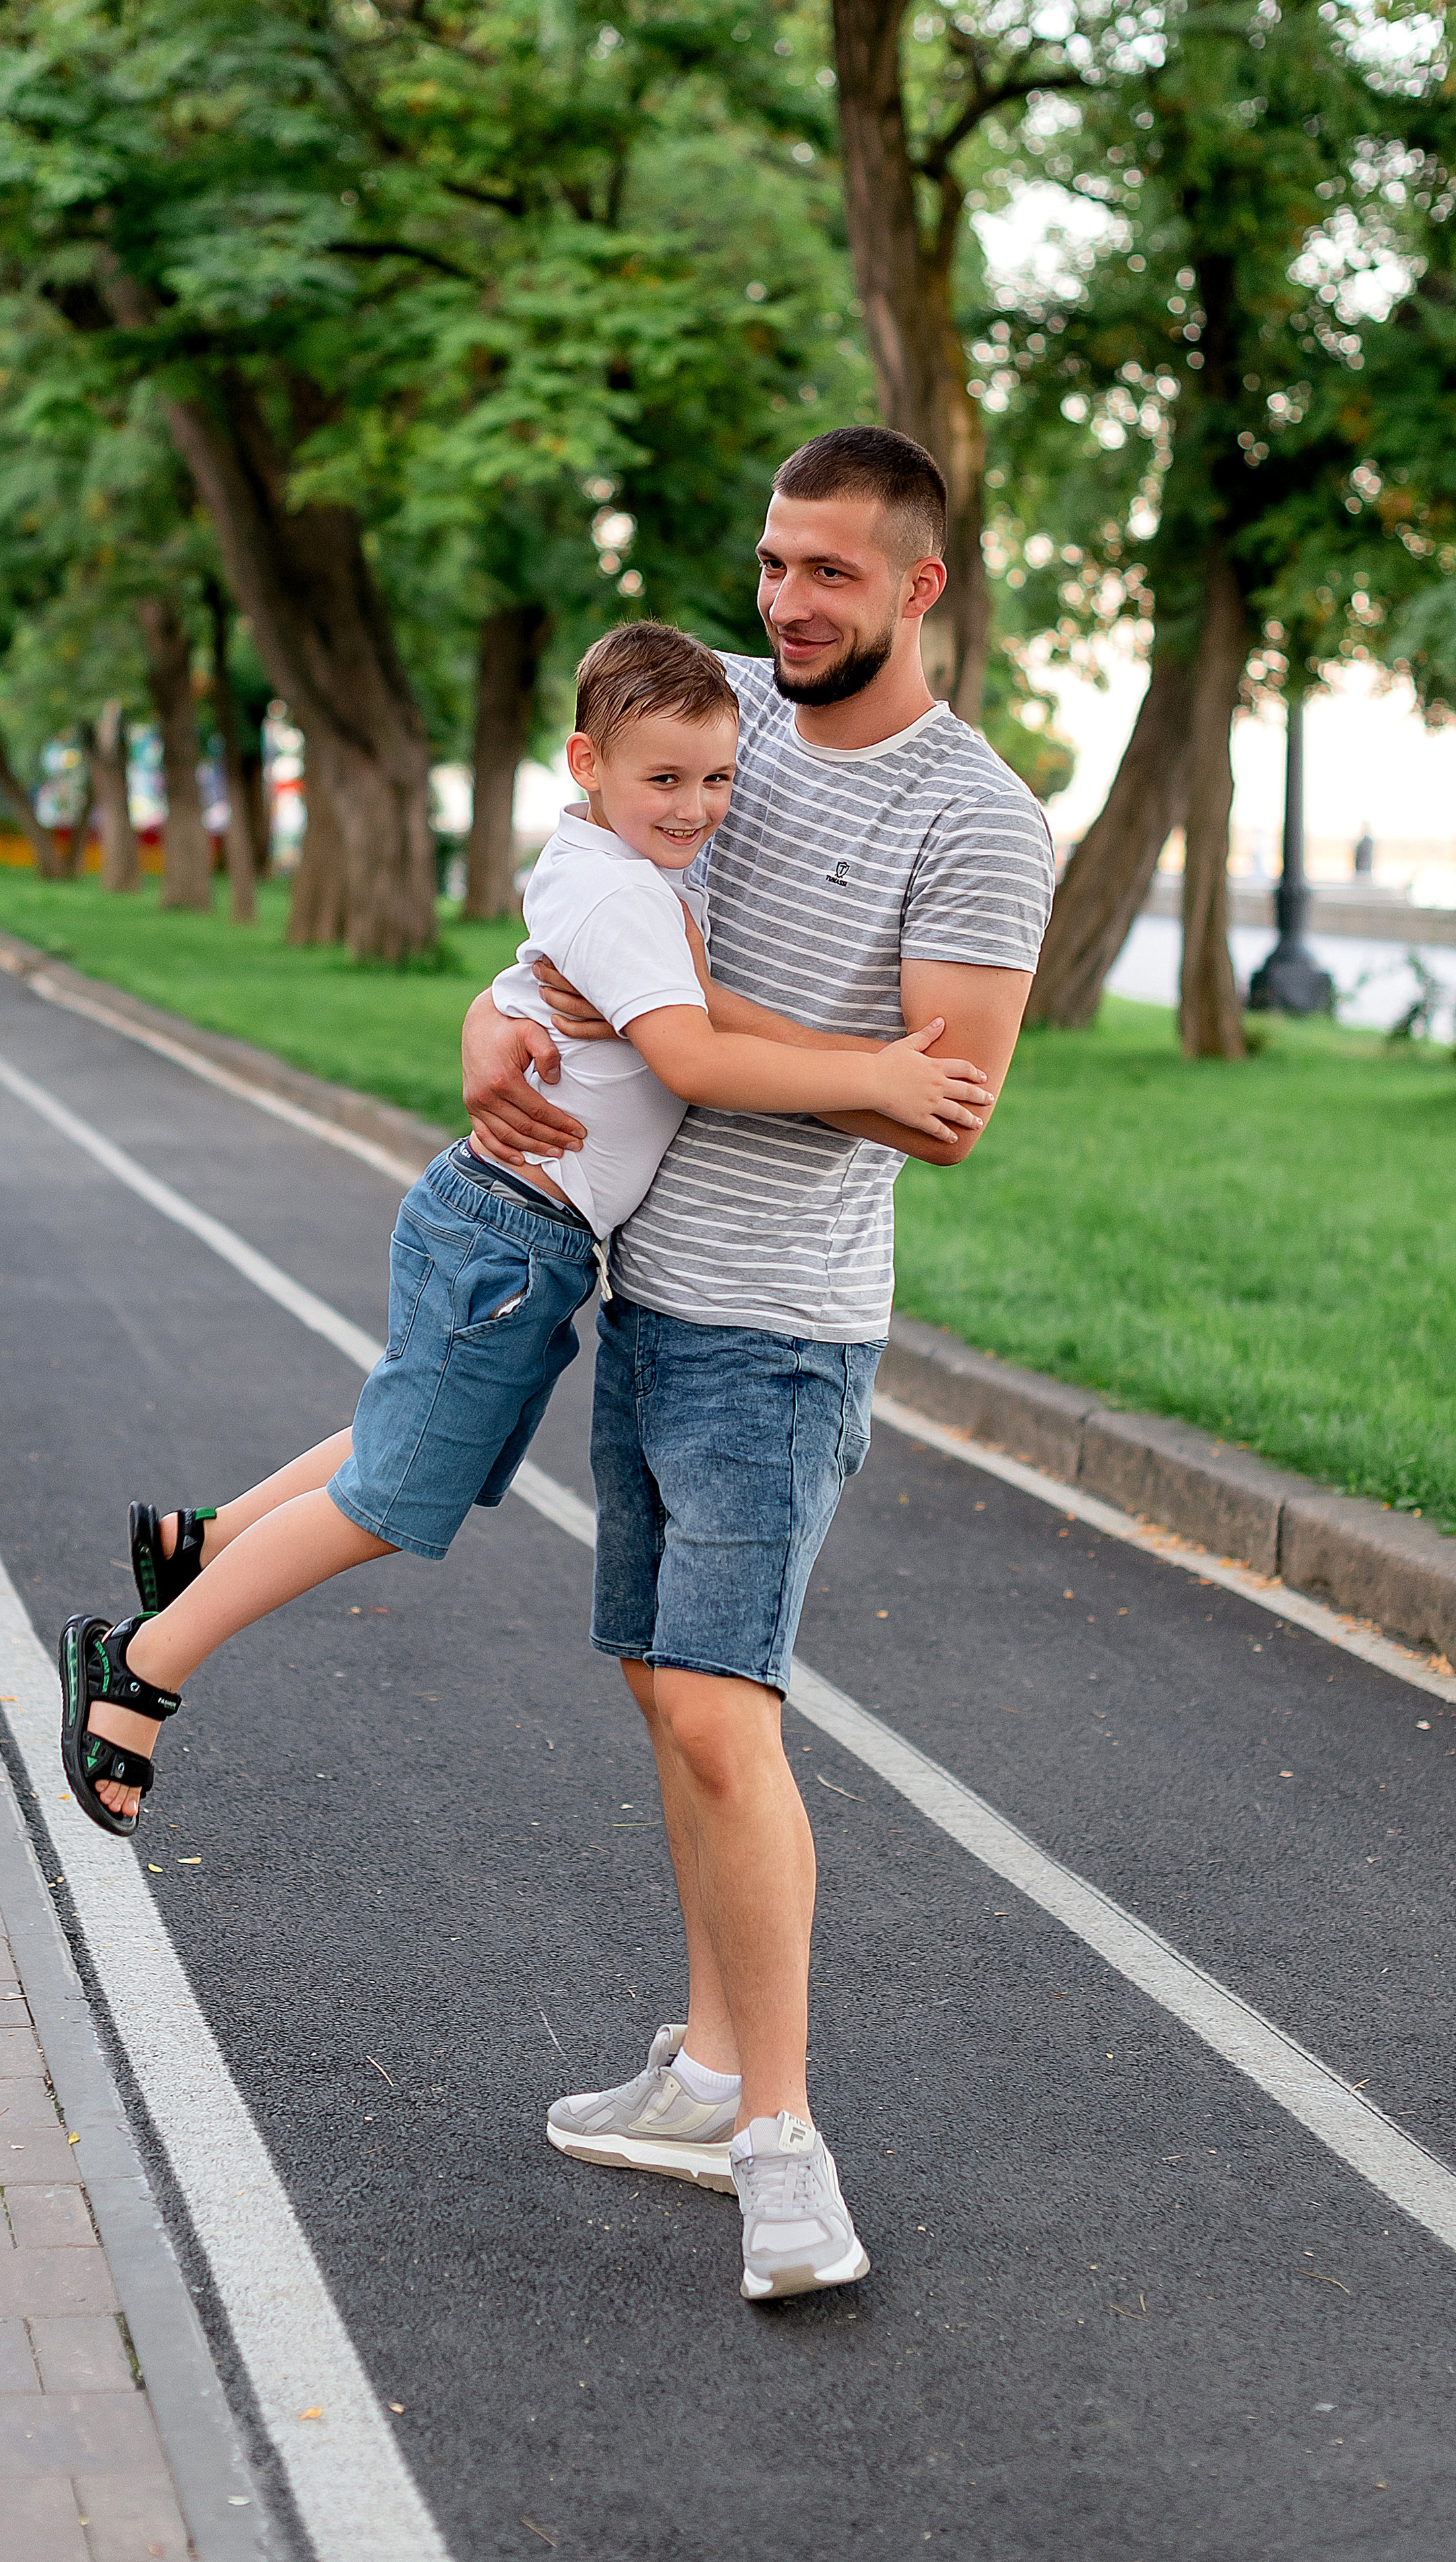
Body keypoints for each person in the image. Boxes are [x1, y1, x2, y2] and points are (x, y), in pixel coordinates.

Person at [57, 621, 994, 1875]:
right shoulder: (614, 887)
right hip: (512, 1230)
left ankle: (206, 1539)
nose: (699, 806)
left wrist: (504, 1003)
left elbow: (690, 1001)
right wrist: (870, 1065)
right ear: (586, 763)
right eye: (666, 781)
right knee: (396, 1493)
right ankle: (140, 1666)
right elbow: (695, 1055)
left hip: (527, 1236)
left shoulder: (625, 873)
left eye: (719, 781)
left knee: (415, 1433)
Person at [461, 427, 1056, 2302]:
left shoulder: (978, 819)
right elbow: (576, 890)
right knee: (662, 1690)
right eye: (774, 563)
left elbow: (945, 1107)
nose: (786, 605)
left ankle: (785, 2140)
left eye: (830, 575)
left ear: (919, 591)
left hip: (782, 1325)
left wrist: (705, 1032)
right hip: (640, 1290)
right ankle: (708, 2068)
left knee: (726, 1713)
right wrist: (482, 1019)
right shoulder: (715, 708)